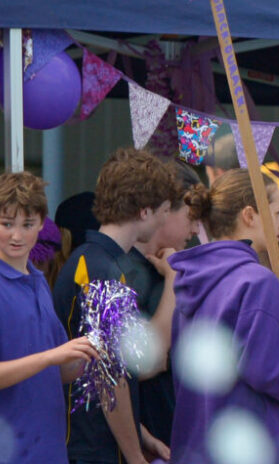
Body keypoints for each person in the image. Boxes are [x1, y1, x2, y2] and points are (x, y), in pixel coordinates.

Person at [169, 171, 279, 464]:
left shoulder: (190, 280)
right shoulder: (258, 282)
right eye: (277, 212)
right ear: (249, 215)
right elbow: (268, 375)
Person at [0, 172, 100, 464]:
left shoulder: (37, 281)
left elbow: (60, 370)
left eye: (28, 224)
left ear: (42, 223)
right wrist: (49, 357)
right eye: (6, 224)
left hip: (47, 451)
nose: (17, 235)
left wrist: (96, 350)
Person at [53, 148, 180, 464]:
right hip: (91, 449)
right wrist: (135, 455)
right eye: (165, 209)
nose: (166, 218)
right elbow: (110, 379)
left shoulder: (100, 262)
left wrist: (141, 436)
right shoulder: (101, 272)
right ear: (144, 212)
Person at [125, 160, 201, 449]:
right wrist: (172, 279)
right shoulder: (130, 274)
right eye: (191, 217)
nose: (195, 229)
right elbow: (143, 364)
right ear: (164, 210)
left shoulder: (173, 268)